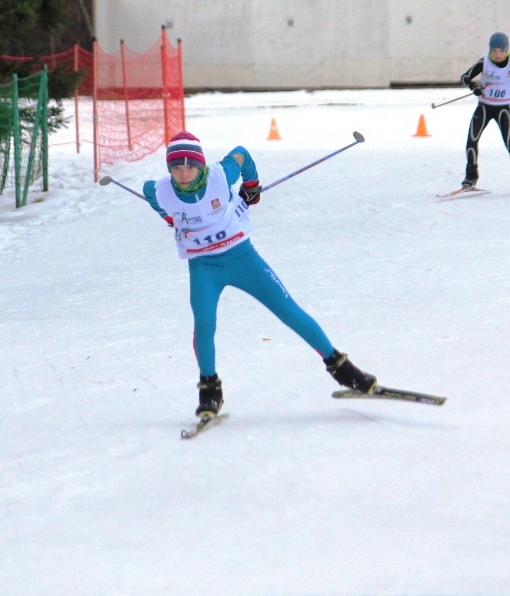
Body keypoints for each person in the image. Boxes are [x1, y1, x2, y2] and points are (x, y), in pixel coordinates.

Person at [142, 131, 378, 418]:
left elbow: (241, 153)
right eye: (176, 168)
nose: (184, 174)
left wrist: (251, 185)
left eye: (190, 166)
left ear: (201, 164)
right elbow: (149, 191)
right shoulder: (163, 189)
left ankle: (343, 370)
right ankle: (210, 390)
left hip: (241, 257)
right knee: (204, 323)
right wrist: (167, 215)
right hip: (204, 266)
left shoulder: (219, 175)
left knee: (287, 309)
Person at [457, 32, 510, 192]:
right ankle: (470, 177)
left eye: (501, 51)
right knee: (472, 140)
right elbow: (465, 77)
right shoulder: (484, 62)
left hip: (503, 110)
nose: (497, 54)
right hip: (485, 107)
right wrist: (474, 86)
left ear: (506, 50)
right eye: (494, 51)